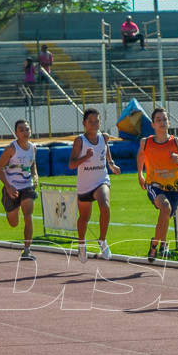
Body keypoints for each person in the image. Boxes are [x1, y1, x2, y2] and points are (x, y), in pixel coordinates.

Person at [68, 108, 121, 263]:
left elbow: (106, 152)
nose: (93, 124)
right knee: (84, 217)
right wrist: (85, 157)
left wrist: (112, 165)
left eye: (96, 121)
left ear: (100, 122)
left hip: (101, 180)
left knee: (105, 205)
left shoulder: (104, 138)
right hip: (85, 185)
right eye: (90, 121)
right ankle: (81, 244)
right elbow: (71, 165)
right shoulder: (80, 141)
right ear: (84, 123)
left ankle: (102, 240)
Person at [136, 107, 178, 262]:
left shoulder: (176, 142)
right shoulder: (146, 142)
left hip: (174, 187)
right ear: (153, 125)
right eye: (158, 120)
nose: (162, 122)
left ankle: (155, 243)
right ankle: (163, 245)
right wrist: (140, 173)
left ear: (169, 122)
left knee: (165, 215)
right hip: (154, 184)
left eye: (164, 119)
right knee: (165, 208)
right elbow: (140, 156)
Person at [0, 119, 39, 261]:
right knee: (14, 223)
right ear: (16, 133)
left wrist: (35, 175)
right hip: (12, 187)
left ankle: (27, 250)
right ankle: (13, 208)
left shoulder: (33, 148)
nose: (25, 132)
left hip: (27, 185)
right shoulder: (11, 149)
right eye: (21, 130)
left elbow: (32, 164)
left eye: (27, 129)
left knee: (28, 215)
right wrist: (8, 186)